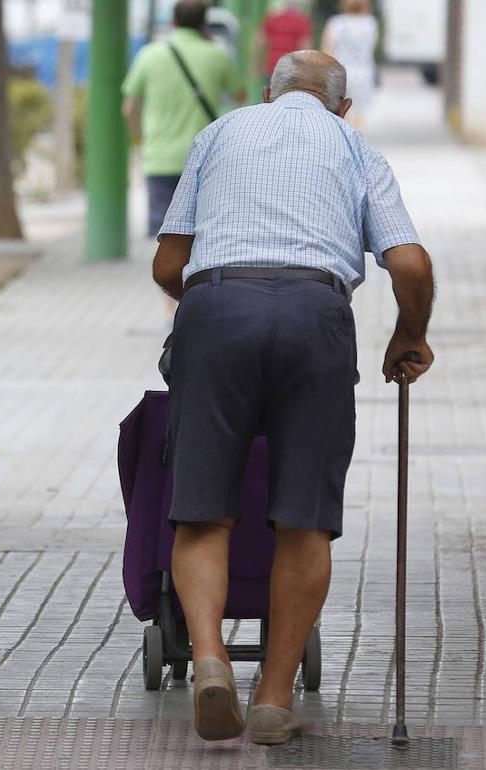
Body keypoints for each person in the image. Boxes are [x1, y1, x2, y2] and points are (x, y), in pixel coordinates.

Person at [152, 51, 434, 744]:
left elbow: (167, 264)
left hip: (218, 305)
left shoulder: (220, 133)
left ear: (267, 94)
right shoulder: (353, 146)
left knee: (202, 516)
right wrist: (409, 335)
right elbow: (410, 262)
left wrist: (222, 309)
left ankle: (212, 660)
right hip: (318, 316)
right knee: (304, 519)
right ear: (342, 106)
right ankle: (274, 699)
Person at [122, 0, 245, 238]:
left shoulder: (149, 55)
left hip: (159, 156)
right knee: (200, 234)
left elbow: (129, 108)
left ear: (173, 21)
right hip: (205, 159)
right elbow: (239, 95)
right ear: (204, 24)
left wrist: (140, 139)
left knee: (163, 238)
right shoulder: (216, 55)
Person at [322, 0, 379, 129]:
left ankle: (344, 144)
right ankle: (357, 143)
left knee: (342, 113)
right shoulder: (371, 23)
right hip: (364, 72)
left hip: (341, 72)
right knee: (359, 114)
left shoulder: (336, 23)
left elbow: (327, 49)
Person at [260, 1, 313, 89]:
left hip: (272, 66)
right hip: (291, 68)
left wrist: (259, 65)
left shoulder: (272, 18)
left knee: (270, 95)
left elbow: (262, 41)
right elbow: (305, 47)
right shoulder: (302, 21)